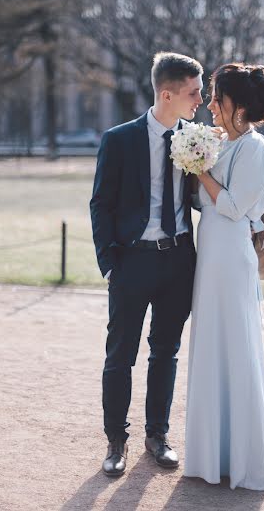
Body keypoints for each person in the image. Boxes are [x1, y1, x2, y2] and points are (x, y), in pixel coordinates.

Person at [90, 52, 203, 476]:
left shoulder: (197, 137)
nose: (200, 100)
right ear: (167, 93)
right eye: (194, 92)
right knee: (120, 355)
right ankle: (115, 441)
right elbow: (100, 204)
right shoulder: (119, 139)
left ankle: (157, 436)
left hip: (178, 262)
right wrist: (111, 263)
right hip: (132, 262)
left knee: (166, 353)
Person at [184, 63, 264, 491]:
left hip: (232, 256)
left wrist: (199, 170)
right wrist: (194, 166)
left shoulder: (255, 148)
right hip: (209, 253)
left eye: (216, 97)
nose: (209, 104)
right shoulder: (220, 141)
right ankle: (212, 455)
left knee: (236, 348)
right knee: (210, 346)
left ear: (237, 105)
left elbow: (235, 207)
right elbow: (203, 201)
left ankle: (242, 458)